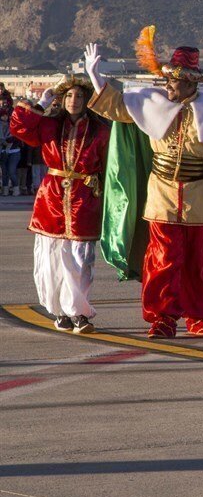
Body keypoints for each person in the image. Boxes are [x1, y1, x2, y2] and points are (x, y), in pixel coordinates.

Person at [87, 27, 203, 338]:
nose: (170, 85)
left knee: (196, 260)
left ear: (191, 83)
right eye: (169, 79)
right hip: (162, 193)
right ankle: (163, 317)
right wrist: (95, 77)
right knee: (162, 258)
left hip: (200, 195)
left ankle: (197, 315)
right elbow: (116, 106)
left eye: (176, 81)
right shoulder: (152, 100)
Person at [9, 66, 111, 333]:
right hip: (52, 198)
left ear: (87, 101)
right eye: (69, 96)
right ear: (62, 99)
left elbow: (111, 166)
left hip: (85, 198)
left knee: (81, 260)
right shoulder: (49, 125)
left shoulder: (100, 131)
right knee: (51, 258)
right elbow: (19, 128)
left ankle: (79, 312)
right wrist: (40, 105)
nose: (74, 101)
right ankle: (58, 311)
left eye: (79, 96)